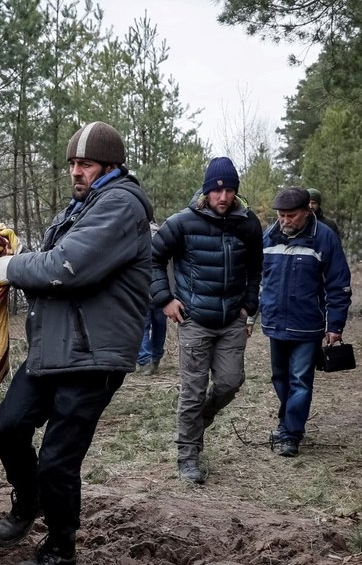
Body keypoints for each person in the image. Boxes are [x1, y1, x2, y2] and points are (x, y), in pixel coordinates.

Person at [0, 121, 152, 565]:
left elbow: (66, 267)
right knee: (6, 427)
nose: (76, 172)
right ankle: (31, 497)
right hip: (54, 347)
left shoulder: (119, 205)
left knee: (59, 458)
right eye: (73, 164)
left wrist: (9, 266)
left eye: (86, 164)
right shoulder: (83, 205)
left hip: (91, 352)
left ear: (111, 167)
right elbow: (49, 259)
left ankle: (60, 547)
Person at [151, 157, 263, 485]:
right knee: (193, 389)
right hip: (195, 319)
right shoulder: (183, 222)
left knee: (230, 382)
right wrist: (165, 299)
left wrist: (248, 307)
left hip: (231, 319)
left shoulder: (249, 223)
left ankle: (204, 417)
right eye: (217, 190)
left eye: (229, 190)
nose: (223, 197)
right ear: (206, 191)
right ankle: (188, 454)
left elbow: (257, 269)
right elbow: (153, 258)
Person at [260, 187, 352, 457]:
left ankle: (291, 434)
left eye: (291, 216)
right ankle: (287, 420)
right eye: (281, 215)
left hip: (308, 325)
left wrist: (334, 324)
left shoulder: (325, 238)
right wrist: (252, 312)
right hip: (276, 322)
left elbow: (339, 285)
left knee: (300, 380)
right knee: (280, 378)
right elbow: (257, 276)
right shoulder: (269, 236)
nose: (285, 221)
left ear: (307, 212)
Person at [136, 218, 167, 375]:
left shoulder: (136, 237)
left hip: (142, 288)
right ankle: (155, 357)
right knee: (159, 325)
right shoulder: (165, 235)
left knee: (143, 325)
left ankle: (144, 360)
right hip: (163, 289)